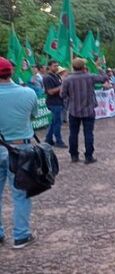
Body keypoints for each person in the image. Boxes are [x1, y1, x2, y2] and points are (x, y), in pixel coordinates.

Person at [0, 56, 38, 249]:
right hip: (20, 149)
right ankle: (21, 235)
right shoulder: (28, 93)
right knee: (21, 194)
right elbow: (32, 116)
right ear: (11, 72)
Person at [60, 58, 107, 164]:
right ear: (83, 67)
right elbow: (104, 78)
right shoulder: (90, 77)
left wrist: (70, 98)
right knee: (88, 133)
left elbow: (62, 94)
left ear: (73, 67)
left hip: (73, 110)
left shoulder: (67, 79)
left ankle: (74, 156)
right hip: (88, 110)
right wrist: (99, 68)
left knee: (73, 134)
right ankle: (89, 156)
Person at [42, 61, 67, 148]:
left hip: (58, 101)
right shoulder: (47, 78)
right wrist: (62, 86)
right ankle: (58, 140)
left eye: (57, 66)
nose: (56, 67)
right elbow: (50, 91)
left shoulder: (56, 76)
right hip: (53, 103)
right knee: (57, 122)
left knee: (54, 122)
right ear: (49, 67)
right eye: (54, 66)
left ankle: (48, 139)